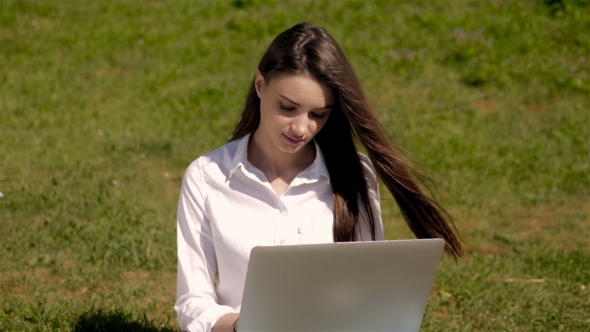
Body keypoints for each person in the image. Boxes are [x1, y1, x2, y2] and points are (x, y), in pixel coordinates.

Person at [174, 22, 463, 332]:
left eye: (318, 114)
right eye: (287, 107)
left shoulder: (354, 175)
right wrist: (241, 326)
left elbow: (371, 291)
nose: (301, 128)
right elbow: (192, 302)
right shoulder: (206, 178)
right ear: (260, 85)